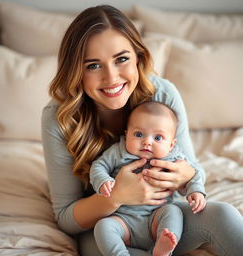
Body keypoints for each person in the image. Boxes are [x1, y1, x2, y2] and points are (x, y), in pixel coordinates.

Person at [41, 4, 243, 256]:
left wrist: (184, 176)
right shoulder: (60, 117)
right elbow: (65, 218)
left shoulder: (162, 95)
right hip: (108, 223)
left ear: (138, 57)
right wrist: (116, 197)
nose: (112, 77)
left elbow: (189, 169)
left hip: (160, 218)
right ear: (75, 71)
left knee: (223, 214)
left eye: (121, 59)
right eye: (93, 65)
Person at [90, 101, 206, 256]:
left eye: (158, 138)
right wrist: (103, 180)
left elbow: (194, 172)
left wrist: (196, 190)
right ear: (126, 134)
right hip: (123, 220)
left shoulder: (174, 156)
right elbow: (98, 166)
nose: (147, 142)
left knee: (173, 212)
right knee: (103, 226)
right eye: (138, 135)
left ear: (171, 145)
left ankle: (161, 249)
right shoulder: (119, 151)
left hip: (156, 217)